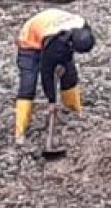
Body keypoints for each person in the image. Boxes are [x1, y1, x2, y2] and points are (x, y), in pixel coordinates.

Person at [14, 9, 95, 145]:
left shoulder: (82, 26)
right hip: (30, 42)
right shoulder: (55, 43)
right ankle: (20, 132)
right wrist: (51, 100)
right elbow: (47, 72)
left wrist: (64, 62)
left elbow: (67, 55)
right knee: (28, 85)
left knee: (69, 75)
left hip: (52, 29)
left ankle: (75, 111)